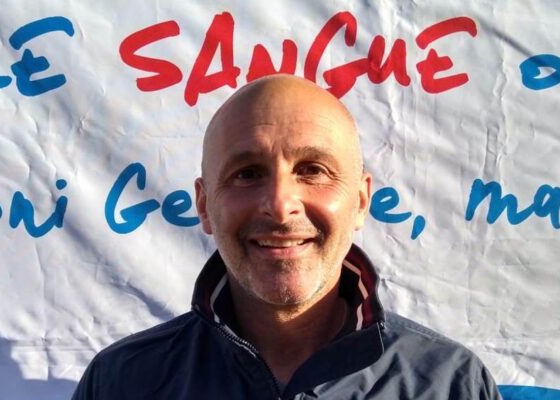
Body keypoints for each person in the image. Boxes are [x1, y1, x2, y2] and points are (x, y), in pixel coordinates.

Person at [72, 75, 501, 399]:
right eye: (247, 174)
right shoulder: (122, 382)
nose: (280, 205)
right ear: (204, 205)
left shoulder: (450, 384)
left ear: (360, 201)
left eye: (313, 170)